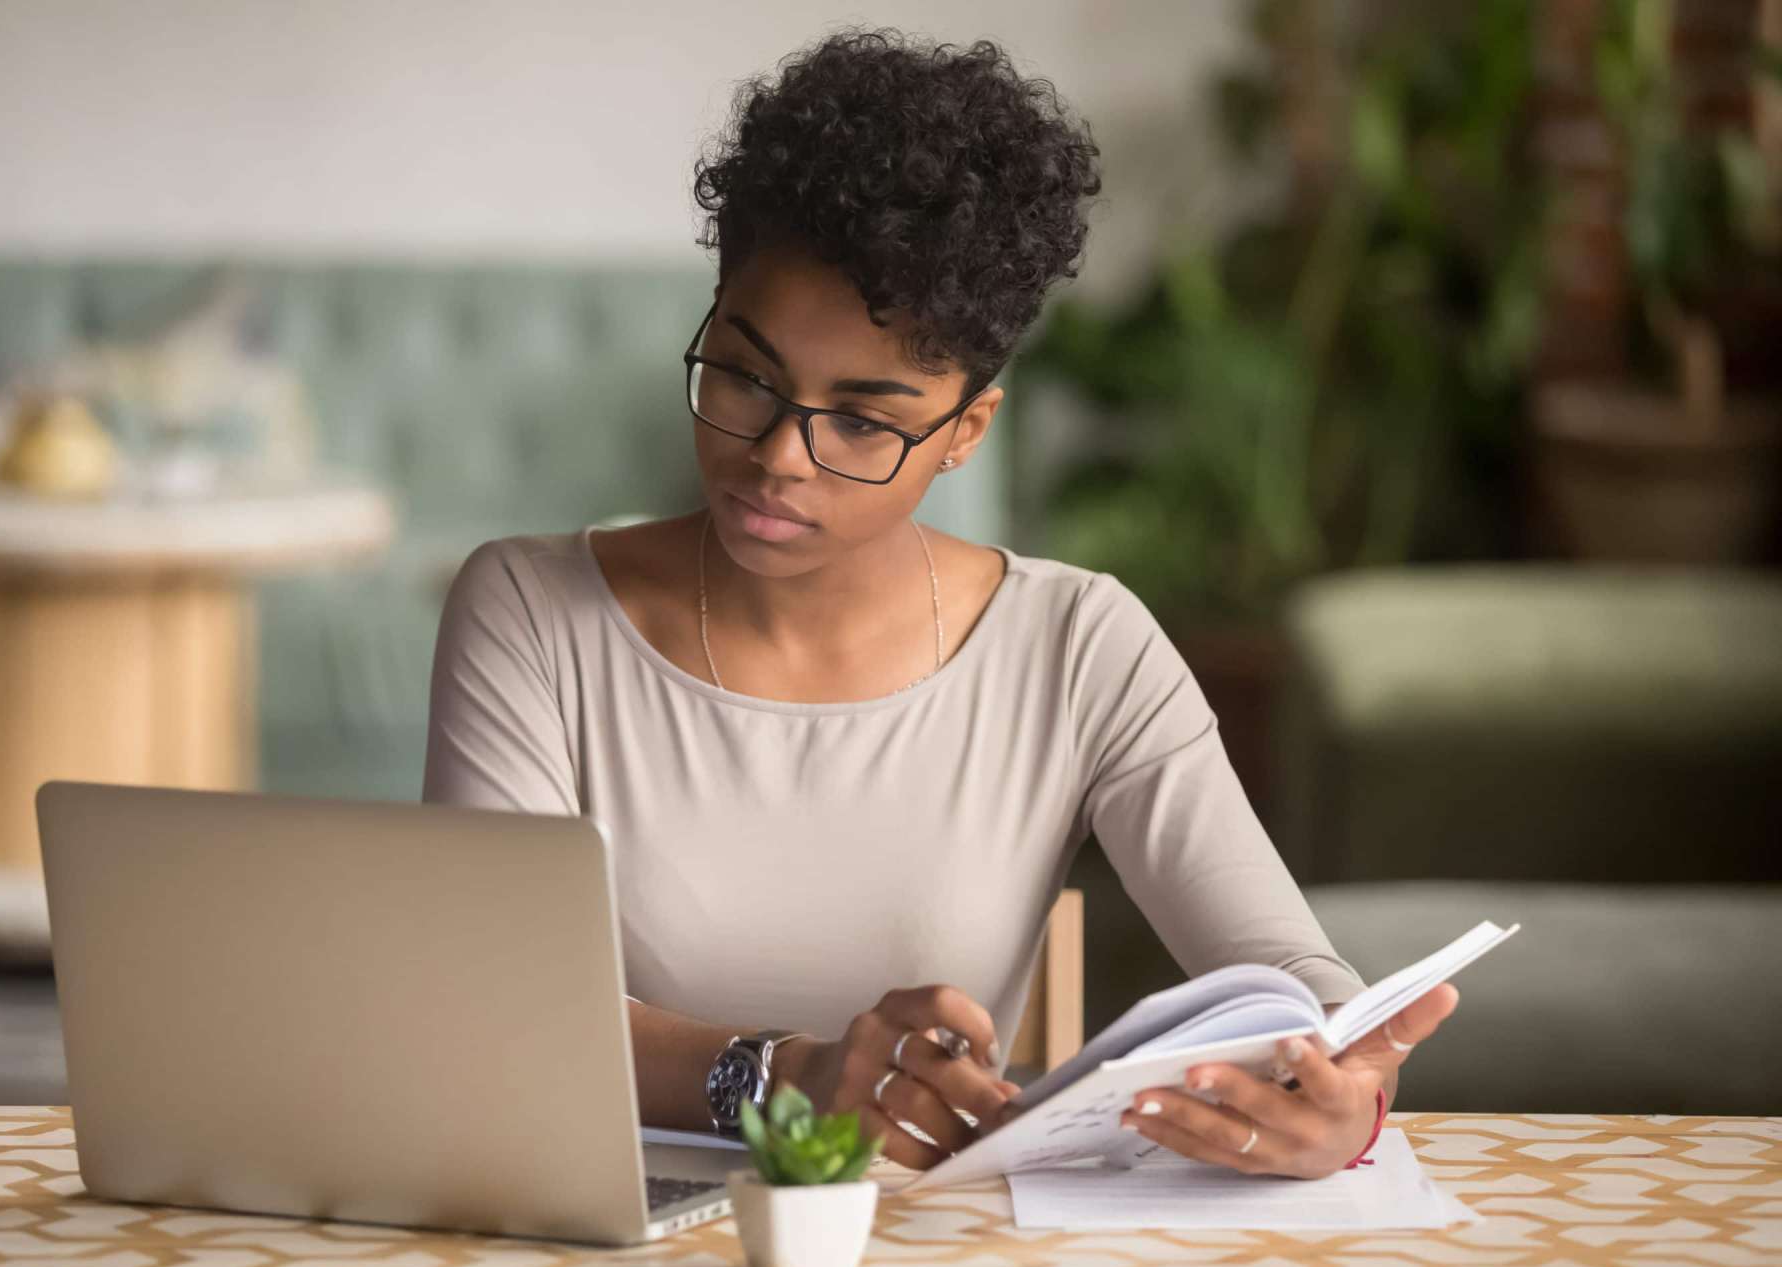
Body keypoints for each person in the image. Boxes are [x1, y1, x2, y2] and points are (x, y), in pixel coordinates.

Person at [423, 28, 1456, 1177]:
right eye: (744, 373)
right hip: (607, 1234)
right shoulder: (527, 611)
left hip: (938, 1240)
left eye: (862, 418)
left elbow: (1288, 970)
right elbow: (492, 1005)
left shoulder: (1079, 646)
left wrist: (1344, 1092)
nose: (778, 456)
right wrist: (785, 1077)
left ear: (966, 431)